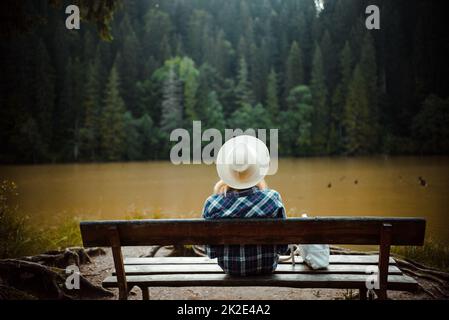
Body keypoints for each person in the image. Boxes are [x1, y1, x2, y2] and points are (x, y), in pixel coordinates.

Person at [202, 135, 288, 276]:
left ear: (227, 171)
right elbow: (283, 247)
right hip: (266, 267)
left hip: (231, 269)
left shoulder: (212, 204)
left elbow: (211, 252)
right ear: (256, 169)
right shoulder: (272, 199)